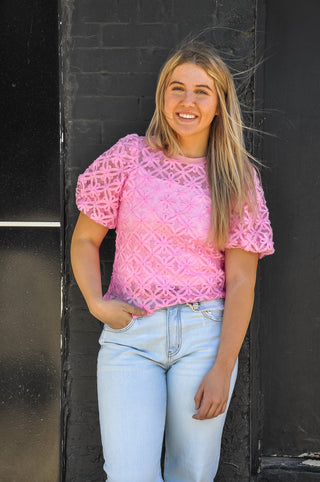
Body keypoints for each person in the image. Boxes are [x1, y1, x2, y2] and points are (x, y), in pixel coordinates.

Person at [71, 41, 274, 482]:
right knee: (127, 475)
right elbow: (86, 239)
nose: (187, 102)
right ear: (162, 95)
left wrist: (222, 368)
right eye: (177, 88)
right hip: (130, 338)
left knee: (191, 475)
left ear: (219, 105)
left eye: (202, 92)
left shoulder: (237, 177)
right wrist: (96, 301)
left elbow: (242, 282)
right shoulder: (129, 156)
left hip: (204, 340)